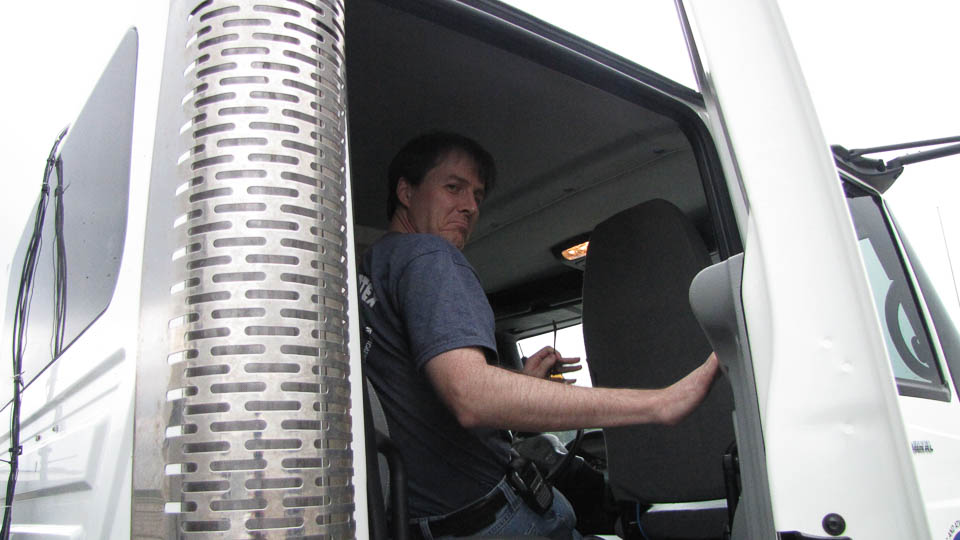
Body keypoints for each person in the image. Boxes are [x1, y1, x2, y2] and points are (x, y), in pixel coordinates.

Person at [358, 132, 719, 539]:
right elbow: (471, 397)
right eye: (453, 187)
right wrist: (661, 402)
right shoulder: (429, 256)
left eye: (477, 194)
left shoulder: (370, 270)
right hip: (496, 523)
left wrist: (523, 386)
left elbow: (423, 408)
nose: (471, 206)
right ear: (406, 191)